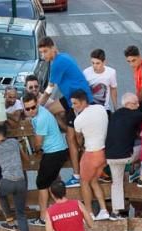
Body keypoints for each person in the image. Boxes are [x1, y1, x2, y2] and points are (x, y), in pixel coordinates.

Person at [37, 37, 90, 184]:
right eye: (41, 52)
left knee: (71, 139)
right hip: (69, 98)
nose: (43, 55)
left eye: (45, 51)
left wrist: (38, 107)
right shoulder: (62, 57)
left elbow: (49, 89)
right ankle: (67, 129)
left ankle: (77, 176)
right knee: (48, 111)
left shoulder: (57, 63)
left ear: (53, 48)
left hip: (77, 101)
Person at [104, 92, 142, 231]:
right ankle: (141, 176)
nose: (138, 106)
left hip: (110, 156)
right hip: (126, 157)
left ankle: (116, 210)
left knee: (116, 182)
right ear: (130, 104)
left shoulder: (115, 115)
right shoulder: (136, 116)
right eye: (136, 104)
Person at [25, 92, 70, 228]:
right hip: (57, 151)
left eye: (33, 107)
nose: (31, 111)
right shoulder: (41, 112)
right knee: (53, 183)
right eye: (27, 109)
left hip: (53, 153)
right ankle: (60, 212)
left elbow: (38, 143)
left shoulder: (41, 118)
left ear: (37, 104)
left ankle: (44, 217)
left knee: (41, 183)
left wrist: (34, 151)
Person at [71, 89, 111, 221]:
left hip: (90, 154)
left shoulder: (79, 119)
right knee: (94, 181)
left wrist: (81, 144)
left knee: (84, 182)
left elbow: (79, 139)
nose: (73, 106)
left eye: (75, 103)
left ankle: (89, 213)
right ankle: (103, 210)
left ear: (83, 102)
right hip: (103, 152)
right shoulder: (100, 108)